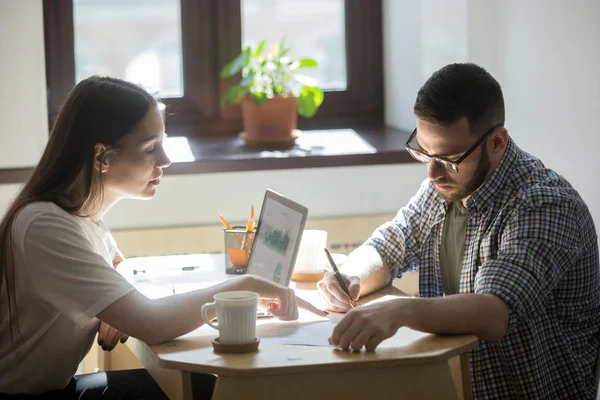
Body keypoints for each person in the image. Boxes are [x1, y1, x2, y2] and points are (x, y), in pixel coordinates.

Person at [0, 76, 325, 399]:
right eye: (150, 147)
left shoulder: (83, 216)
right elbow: (152, 324)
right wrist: (245, 285)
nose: (166, 160)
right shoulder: (46, 225)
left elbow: (115, 264)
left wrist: (113, 305)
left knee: (199, 387)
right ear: (102, 158)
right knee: (204, 391)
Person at [317, 63, 600, 399]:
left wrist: (400, 310)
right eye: (423, 152)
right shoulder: (444, 189)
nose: (433, 173)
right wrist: (351, 274)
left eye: (450, 158)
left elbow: (495, 312)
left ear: (496, 142)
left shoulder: (545, 205)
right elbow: (389, 246)